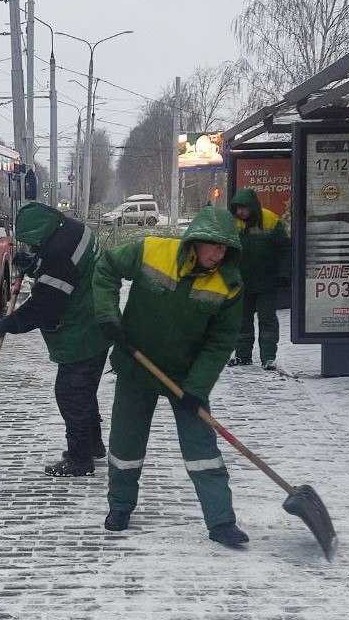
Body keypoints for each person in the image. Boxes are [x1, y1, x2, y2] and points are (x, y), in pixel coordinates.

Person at [93, 206, 249, 547]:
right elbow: (105, 267)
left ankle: (221, 521)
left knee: (202, 448)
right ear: (195, 240)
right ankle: (120, 506)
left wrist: (197, 387)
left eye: (226, 248)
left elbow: (220, 343)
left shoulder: (229, 285)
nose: (219, 253)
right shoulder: (152, 250)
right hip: (137, 365)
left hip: (185, 377)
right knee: (126, 444)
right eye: (214, 245)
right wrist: (108, 316)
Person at [0, 202, 112, 476]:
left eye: (32, 245)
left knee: (71, 394)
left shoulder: (58, 255)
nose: (31, 248)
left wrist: (11, 323)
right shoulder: (71, 229)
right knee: (84, 392)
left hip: (82, 330)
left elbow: (46, 307)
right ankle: (92, 445)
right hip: (96, 323)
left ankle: (80, 460)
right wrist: (35, 264)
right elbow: (60, 265)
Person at [225, 188, 290, 371]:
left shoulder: (270, 221)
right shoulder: (231, 223)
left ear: (252, 207)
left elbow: (285, 249)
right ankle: (242, 356)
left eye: (243, 209)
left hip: (266, 283)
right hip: (240, 283)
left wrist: (284, 274)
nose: (240, 213)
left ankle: (268, 357)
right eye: (237, 209)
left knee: (267, 320)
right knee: (242, 321)